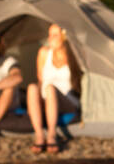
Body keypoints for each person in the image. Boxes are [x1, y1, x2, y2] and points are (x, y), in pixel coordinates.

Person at [26, 22, 81, 154]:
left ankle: (52, 134)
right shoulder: (44, 53)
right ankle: (39, 135)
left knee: (50, 88)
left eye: (55, 35)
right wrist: (37, 99)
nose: (50, 38)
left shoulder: (73, 55)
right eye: (49, 35)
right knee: (32, 87)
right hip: (47, 98)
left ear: (64, 37)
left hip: (67, 99)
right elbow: (40, 79)